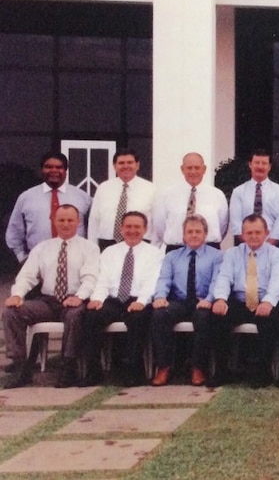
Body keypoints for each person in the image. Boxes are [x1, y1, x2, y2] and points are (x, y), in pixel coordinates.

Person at [3, 205, 99, 388]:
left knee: (74, 315)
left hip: (74, 299)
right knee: (11, 312)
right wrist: (17, 294)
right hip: (47, 301)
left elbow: (91, 277)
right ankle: (21, 367)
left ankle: (68, 367)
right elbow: (27, 275)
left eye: (70, 220)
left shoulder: (89, 248)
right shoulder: (42, 248)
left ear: (78, 222)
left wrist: (79, 297)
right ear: (54, 222)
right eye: (61, 220)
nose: (65, 224)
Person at [81, 211, 164, 387]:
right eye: (128, 226)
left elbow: (152, 281)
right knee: (92, 315)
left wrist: (141, 301)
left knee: (137, 318)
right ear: (121, 228)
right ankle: (93, 370)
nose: (132, 230)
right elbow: (102, 279)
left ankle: (133, 370)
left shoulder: (154, 253)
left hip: (139, 298)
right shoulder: (109, 252)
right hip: (113, 299)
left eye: (137, 227)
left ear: (145, 229)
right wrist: (97, 299)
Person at [210, 214, 279, 387]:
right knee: (216, 317)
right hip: (240, 300)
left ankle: (263, 372)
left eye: (258, 232)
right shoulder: (232, 253)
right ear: (242, 234)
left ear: (266, 233)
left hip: (265, 299)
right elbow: (223, 277)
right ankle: (222, 370)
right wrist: (221, 299)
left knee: (269, 320)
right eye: (249, 232)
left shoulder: (276, 254)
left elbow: (278, 282)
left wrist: (268, 302)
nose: (253, 236)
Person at [149, 214, 223, 387]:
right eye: (190, 231)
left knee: (203, 317)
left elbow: (217, 281)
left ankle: (197, 368)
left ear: (205, 235)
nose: (194, 235)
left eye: (198, 231)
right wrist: (160, 297)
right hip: (179, 301)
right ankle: (164, 366)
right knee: (159, 315)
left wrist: (210, 299)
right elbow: (164, 280)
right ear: (183, 235)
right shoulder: (172, 257)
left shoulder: (217, 256)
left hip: (203, 301)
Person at [6, 152, 92, 264]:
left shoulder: (82, 197)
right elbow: (14, 231)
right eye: (48, 167)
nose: (54, 170)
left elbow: (94, 229)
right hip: (37, 262)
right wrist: (22, 257)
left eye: (59, 167)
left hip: (75, 261)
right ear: (41, 170)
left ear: (65, 170)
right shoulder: (26, 197)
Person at [152, 152, 228, 252]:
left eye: (197, 168)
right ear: (182, 169)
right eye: (189, 168)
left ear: (204, 169)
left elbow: (223, 225)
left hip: (209, 251)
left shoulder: (217, 195)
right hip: (176, 251)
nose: (193, 171)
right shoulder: (167, 195)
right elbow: (160, 225)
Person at [88, 148, 156, 250]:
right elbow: (94, 220)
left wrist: (153, 249)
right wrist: (92, 248)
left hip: (139, 244)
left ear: (137, 165)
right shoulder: (103, 188)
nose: (125, 166)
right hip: (107, 243)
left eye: (130, 162)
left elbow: (156, 223)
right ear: (114, 166)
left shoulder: (151, 189)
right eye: (121, 163)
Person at [228, 149, 279, 249]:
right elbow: (236, 223)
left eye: (264, 163)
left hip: (273, 248)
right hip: (245, 247)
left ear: (269, 167)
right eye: (257, 163)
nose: (260, 166)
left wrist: (267, 246)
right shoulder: (238, 192)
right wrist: (251, 244)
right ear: (250, 164)